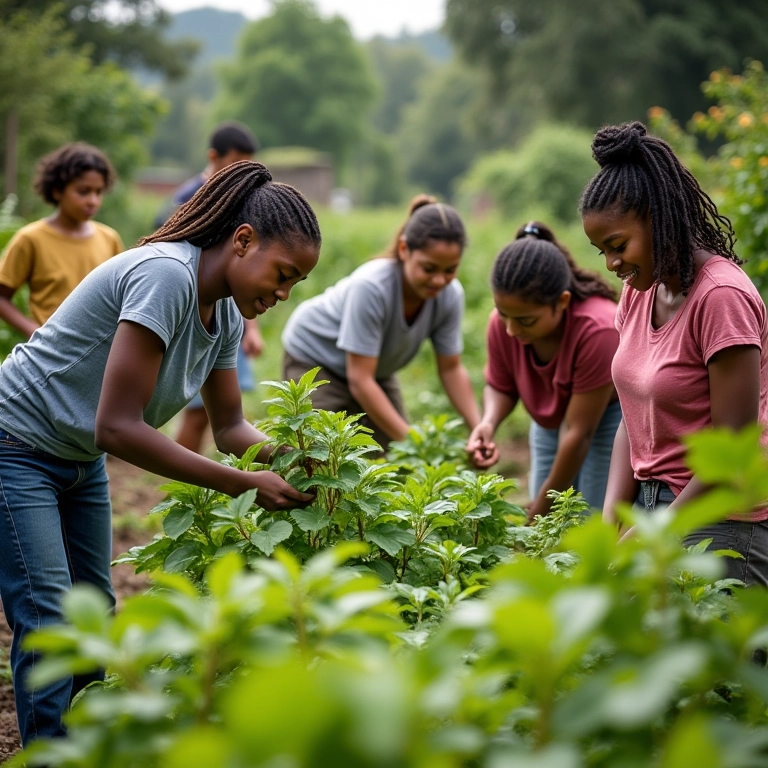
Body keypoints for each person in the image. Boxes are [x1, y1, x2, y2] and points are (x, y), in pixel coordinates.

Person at [0, 161, 321, 745]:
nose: (282, 292)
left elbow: (229, 427)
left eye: (294, 284)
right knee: (49, 617)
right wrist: (244, 485)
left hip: (75, 461)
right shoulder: (167, 277)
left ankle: (85, 748)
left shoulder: (222, 309)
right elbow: (118, 428)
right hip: (16, 445)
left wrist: (294, 456)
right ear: (243, 240)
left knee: (94, 612)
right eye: (283, 274)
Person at [580, 120, 768, 585]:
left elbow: (732, 456)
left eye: (618, 245)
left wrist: (654, 534)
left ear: (658, 218)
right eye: (601, 251)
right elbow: (633, 415)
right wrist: (612, 519)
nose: (611, 263)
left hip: (724, 525)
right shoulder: (641, 292)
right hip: (656, 510)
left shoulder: (721, 297)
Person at [281, 194, 480, 450]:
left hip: (372, 370)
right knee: (317, 455)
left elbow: (451, 368)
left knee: (396, 459)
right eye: (429, 269)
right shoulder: (373, 287)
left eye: (450, 270)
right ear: (404, 249)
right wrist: (415, 445)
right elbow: (360, 380)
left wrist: (478, 428)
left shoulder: (450, 296)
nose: (439, 280)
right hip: (316, 358)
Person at [467, 222, 621, 521]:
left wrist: (539, 506)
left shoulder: (598, 329)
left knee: (592, 513)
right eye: (504, 315)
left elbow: (579, 432)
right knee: (548, 510)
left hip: (604, 420)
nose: (511, 330)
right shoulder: (503, 323)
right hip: (551, 419)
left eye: (525, 321)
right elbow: (501, 385)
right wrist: (488, 423)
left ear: (562, 302)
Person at [158, 121, 264, 453]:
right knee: (197, 411)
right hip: (193, 313)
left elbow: (242, 271)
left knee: (212, 414)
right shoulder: (191, 196)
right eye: (236, 162)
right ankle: (183, 489)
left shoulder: (241, 198)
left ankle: (188, 485)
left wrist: (250, 327)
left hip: (223, 314)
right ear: (214, 157)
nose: (241, 172)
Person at [0, 142, 123, 338]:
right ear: (57, 190)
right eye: (83, 191)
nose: (93, 200)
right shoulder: (31, 238)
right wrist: (33, 330)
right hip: (49, 353)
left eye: (98, 192)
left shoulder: (109, 239)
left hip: (97, 351)